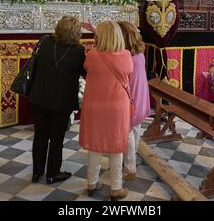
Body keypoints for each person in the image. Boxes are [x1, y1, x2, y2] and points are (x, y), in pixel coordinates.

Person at [79, 21, 133, 201]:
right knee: (116, 146)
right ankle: (116, 188)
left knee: (95, 144)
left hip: (94, 106)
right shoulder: (126, 55)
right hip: (117, 107)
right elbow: (129, 72)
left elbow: (87, 69)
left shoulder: (92, 56)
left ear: (99, 38)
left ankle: (92, 183)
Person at [29, 16, 85, 184]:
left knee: (40, 136)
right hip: (62, 102)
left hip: (39, 97)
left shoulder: (44, 41)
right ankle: (53, 173)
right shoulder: (78, 51)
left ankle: (37, 172)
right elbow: (86, 73)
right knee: (56, 138)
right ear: (76, 33)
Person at [118, 22, 150, 180]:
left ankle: (129, 167)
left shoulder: (126, 56)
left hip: (131, 97)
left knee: (128, 132)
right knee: (134, 129)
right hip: (141, 96)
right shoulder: (138, 52)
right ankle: (132, 158)